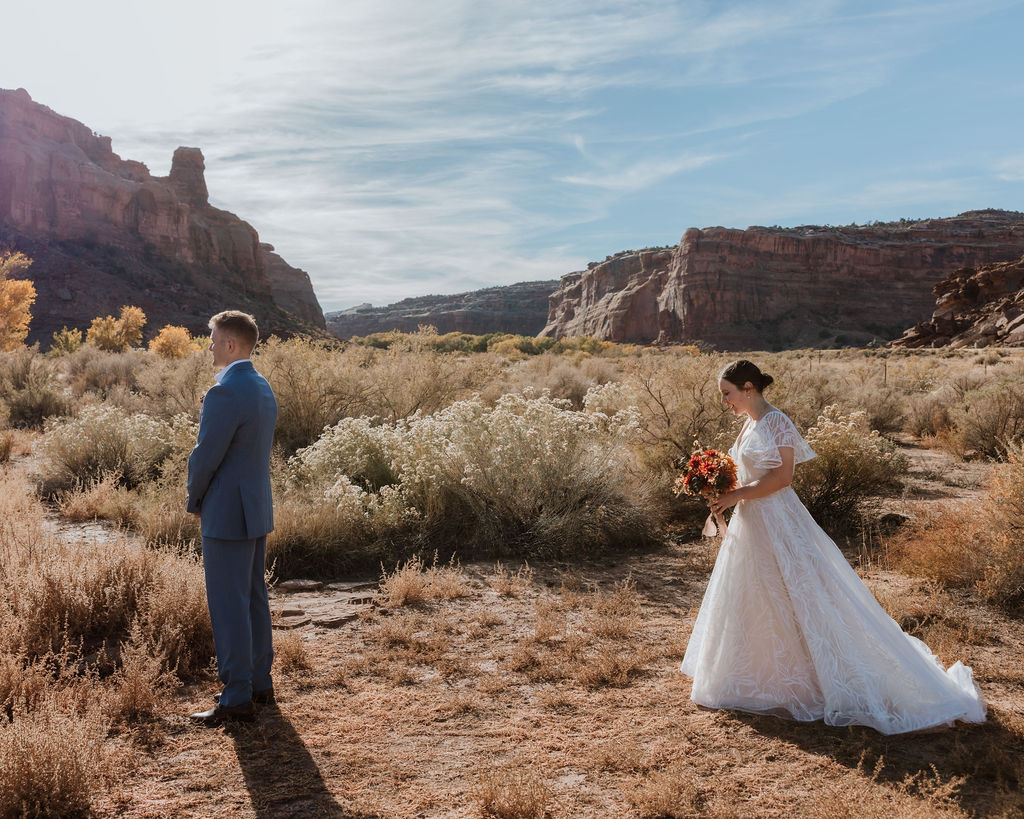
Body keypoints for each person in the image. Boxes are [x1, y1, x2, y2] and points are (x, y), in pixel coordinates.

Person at [680, 359, 985, 734]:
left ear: (748, 388)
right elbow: (750, 472)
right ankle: (760, 676)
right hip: (751, 522)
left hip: (778, 520)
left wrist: (738, 494)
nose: (724, 401)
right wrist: (722, 489)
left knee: (805, 592)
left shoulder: (777, 421)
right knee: (758, 595)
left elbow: (783, 478)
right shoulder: (748, 424)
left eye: (727, 393)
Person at [187, 310, 278, 725]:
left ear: (230, 345)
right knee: (253, 598)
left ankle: (236, 697)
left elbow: (206, 456)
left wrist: (194, 499)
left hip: (226, 512)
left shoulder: (224, 392)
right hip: (255, 508)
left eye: (213, 339)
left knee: (228, 603)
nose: (208, 346)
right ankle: (259, 683)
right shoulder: (261, 386)